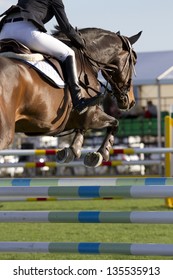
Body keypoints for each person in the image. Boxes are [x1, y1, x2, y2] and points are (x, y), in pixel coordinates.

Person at [0, 0, 101, 114]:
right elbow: (65, 27)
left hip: (4, 31)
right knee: (69, 53)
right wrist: (80, 41)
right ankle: (78, 99)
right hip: (26, 31)